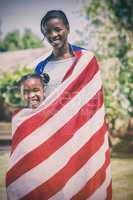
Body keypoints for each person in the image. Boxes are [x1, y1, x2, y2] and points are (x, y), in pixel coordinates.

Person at [6, 10, 112, 200]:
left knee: (80, 182)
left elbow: (93, 100)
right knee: (56, 186)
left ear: (67, 29)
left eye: (58, 29)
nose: (54, 35)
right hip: (52, 135)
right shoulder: (41, 66)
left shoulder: (86, 59)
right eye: (48, 32)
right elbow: (38, 103)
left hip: (80, 132)